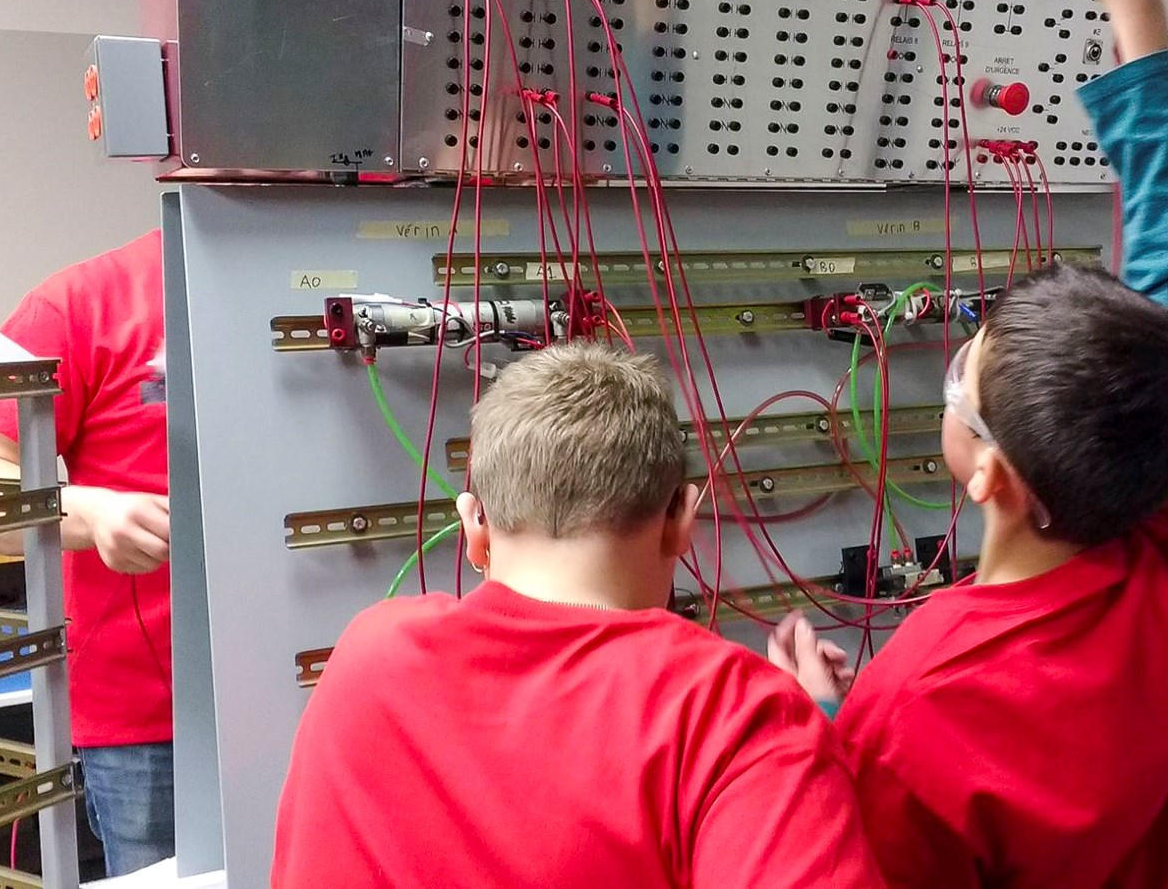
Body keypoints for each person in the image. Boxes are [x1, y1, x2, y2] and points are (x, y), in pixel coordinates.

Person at [769, 0, 1168, 885]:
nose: (951, 377)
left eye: (962, 378)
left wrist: (824, 728)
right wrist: (1141, 27)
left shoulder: (917, 698)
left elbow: (861, 865)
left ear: (991, 474)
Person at [271, 343, 882, 888]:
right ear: (682, 519)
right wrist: (803, 731)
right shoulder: (732, 715)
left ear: (474, 526)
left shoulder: (367, 656)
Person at [0, 231, 174, 877]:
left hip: (330, 681)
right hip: (148, 721)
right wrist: (93, 513)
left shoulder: (340, 278)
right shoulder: (81, 303)